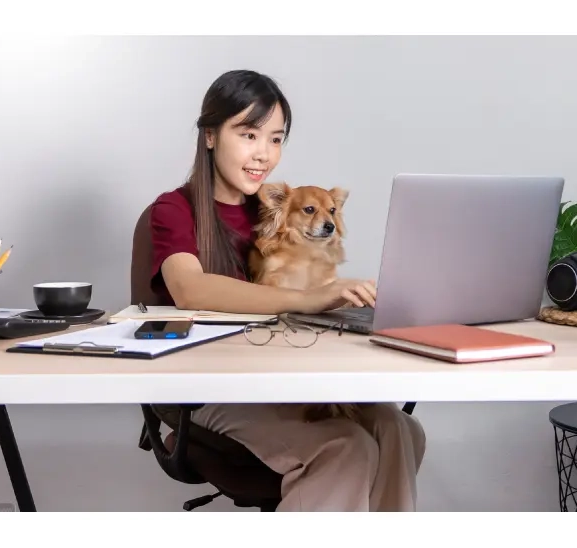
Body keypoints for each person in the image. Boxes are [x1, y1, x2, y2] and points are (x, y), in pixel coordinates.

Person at [145, 69, 426, 511]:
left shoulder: (280, 210)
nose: (264, 153)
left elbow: (320, 273)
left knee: (400, 429)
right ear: (210, 136)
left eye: (275, 139)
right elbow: (190, 288)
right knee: (345, 447)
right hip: (205, 387)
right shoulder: (175, 209)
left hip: (279, 376)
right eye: (249, 134)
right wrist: (309, 299)